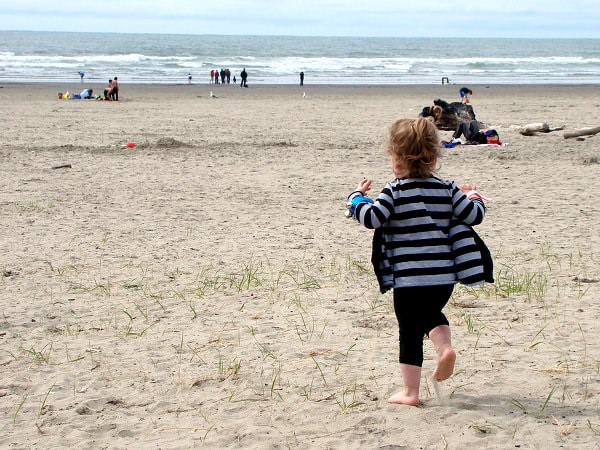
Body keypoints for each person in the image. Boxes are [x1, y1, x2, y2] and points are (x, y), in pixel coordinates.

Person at [347, 117, 488, 406]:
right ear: (435, 157)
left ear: (396, 158)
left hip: (409, 277)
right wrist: (473, 195)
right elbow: (475, 215)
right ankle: (444, 347)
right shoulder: (448, 190)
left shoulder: (395, 190)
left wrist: (357, 198)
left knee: (409, 331)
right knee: (430, 314)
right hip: (444, 278)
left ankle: (411, 392)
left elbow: (372, 218)